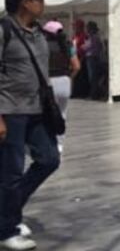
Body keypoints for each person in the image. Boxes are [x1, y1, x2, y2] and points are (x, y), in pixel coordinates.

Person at [0, 0, 61, 251]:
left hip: (38, 110)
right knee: (11, 172)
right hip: (11, 111)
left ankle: (7, 212)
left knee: (49, 159)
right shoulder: (4, 31)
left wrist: (69, 55)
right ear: (25, 2)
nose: (42, 1)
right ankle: (6, 229)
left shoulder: (38, 32)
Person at [43, 20, 80, 153]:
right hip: (64, 82)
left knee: (45, 113)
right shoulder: (68, 45)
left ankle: (48, 141)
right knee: (62, 113)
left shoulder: (43, 46)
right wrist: (69, 77)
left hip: (49, 81)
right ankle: (60, 144)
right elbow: (77, 66)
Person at [81, 22, 105, 100]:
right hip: (94, 58)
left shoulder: (93, 38)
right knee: (93, 77)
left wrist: (83, 46)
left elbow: (86, 47)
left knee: (92, 78)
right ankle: (95, 94)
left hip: (92, 58)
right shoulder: (95, 37)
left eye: (88, 28)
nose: (87, 30)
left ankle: (94, 95)